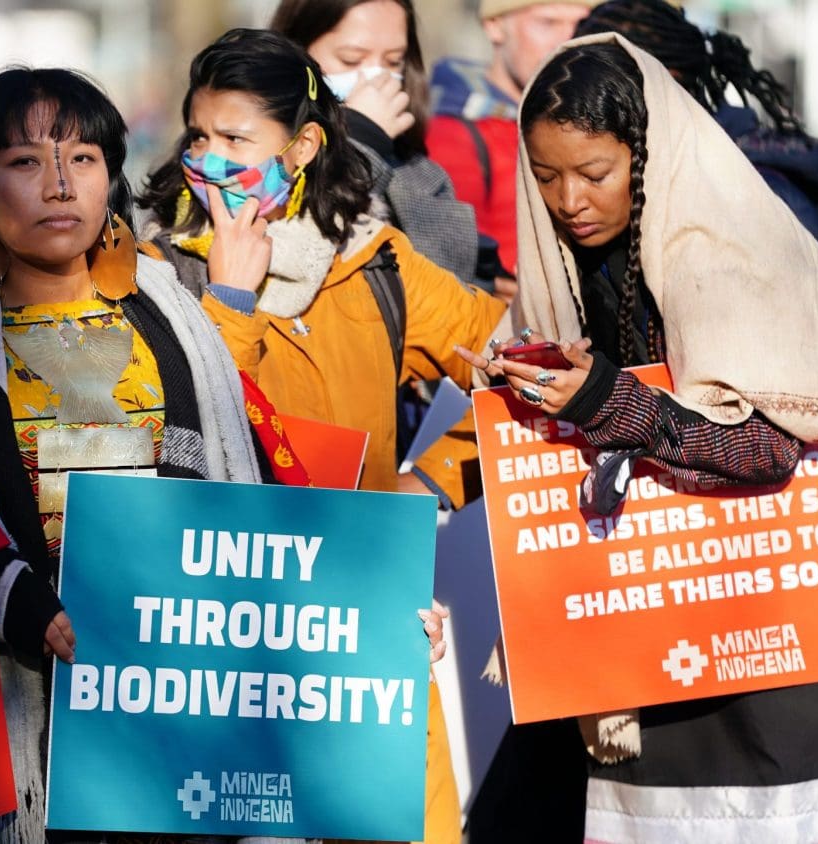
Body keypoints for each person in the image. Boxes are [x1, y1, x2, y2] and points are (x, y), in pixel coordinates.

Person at [459, 35, 818, 840]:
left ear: (648, 158)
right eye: (545, 177)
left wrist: (608, 400)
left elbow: (766, 449)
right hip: (663, 655)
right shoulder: (572, 267)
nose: (569, 199)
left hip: (792, 669)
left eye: (595, 174)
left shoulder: (722, 256)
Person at [0, 66, 327, 841]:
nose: (60, 184)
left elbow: (264, 489)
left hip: (182, 704)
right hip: (27, 706)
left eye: (83, 158)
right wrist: (10, 594)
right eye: (25, 162)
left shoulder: (173, 312)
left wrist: (373, 610)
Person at [137, 28, 505, 842]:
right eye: (199, 136)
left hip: (362, 638)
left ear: (302, 146)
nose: (210, 158)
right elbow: (174, 441)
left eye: (237, 139)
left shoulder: (376, 264)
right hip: (215, 649)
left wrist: (438, 479)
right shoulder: (154, 271)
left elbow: (526, 375)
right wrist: (229, 300)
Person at [573, 0, 818, 335]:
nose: (587, 111)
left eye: (601, 92)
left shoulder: (759, 191)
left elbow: (797, 348)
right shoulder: (658, 174)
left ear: (666, 81)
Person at [270, 0, 480, 287]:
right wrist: (361, 138)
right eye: (351, 60)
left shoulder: (422, 173)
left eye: (393, 62)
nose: (377, 77)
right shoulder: (259, 157)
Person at [426, 0, 596, 292]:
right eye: (548, 22)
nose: (568, 41)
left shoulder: (590, 119)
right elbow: (448, 263)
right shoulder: (453, 132)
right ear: (494, 26)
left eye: (581, 25)